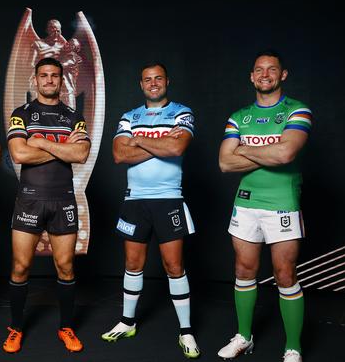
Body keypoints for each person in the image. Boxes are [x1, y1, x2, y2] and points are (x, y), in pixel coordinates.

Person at [101, 62, 200, 359]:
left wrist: (140, 140)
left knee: (174, 266)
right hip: (135, 201)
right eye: (147, 79)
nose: (153, 83)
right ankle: (127, 322)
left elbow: (177, 149)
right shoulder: (129, 116)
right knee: (133, 264)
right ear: (141, 84)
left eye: (158, 78)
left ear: (167, 81)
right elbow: (119, 154)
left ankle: (186, 331)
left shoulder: (182, 112)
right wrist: (162, 141)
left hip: (169, 198)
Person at [217, 50, 311, 362]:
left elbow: (286, 156)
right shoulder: (238, 116)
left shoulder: (297, 111)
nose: (265, 74)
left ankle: (293, 346)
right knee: (244, 269)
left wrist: (244, 147)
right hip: (246, 203)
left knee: (285, 274)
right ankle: (244, 337)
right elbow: (224, 163)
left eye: (272, 69)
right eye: (259, 69)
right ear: (252, 76)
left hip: (282, 202)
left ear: (283, 74)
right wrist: (271, 148)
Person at [2, 57, 91, 354]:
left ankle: (66, 328)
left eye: (55, 75)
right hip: (29, 198)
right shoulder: (22, 114)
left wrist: (40, 142)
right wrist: (63, 149)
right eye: (44, 76)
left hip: (63, 198)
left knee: (65, 267)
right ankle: (15, 328)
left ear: (61, 80)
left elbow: (81, 155)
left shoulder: (73, 116)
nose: (50, 80)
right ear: (36, 80)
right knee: (20, 266)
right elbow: (19, 154)